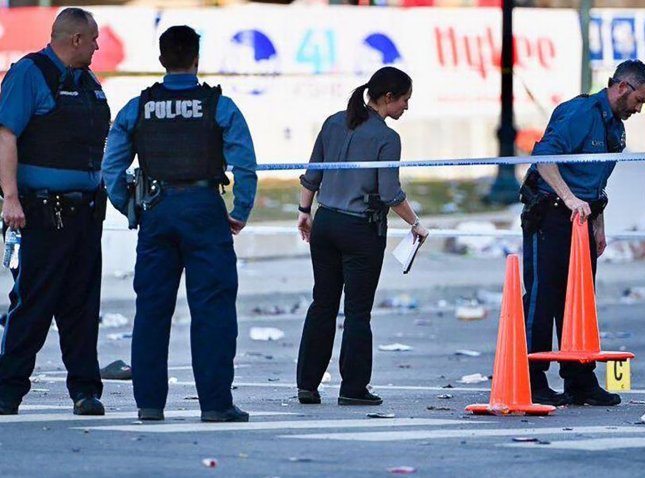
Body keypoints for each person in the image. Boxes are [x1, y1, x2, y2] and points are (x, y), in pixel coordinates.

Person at [101, 26, 257, 422]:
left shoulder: (139, 106)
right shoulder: (218, 105)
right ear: (196, 59)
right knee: (213, 310)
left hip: (157, 210)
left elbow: (111, 168)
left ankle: (149, 405)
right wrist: (239, 211)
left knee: (152, 311)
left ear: (161, 60)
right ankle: (216, 405)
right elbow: (244, 164)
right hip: (205, 209)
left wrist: (130, 207)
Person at [520, 59, 645, 407]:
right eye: (639, 100)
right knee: (542, 298)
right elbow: (544, 158)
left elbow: (597, 180)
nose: (639, 109)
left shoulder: (616, 127)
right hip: (551, 213)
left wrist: (598, 223)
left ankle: (579, 380)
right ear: (623, 87)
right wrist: (568, 199)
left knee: (578, 301)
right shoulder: (581, 113)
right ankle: (532, 378)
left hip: (582, 219)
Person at [295, 67, 429, 406]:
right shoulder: (387, 138)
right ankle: (353, 388)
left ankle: (307, 384)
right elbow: (389, 193)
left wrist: (304, 213)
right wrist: (416, 223)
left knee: (322, 304)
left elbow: (312, 175)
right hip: (361, 229)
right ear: (388, 98)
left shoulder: (333, 122)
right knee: (357, 312)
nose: (406, 108)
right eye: (405, 100)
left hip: (325, 223)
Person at [0, 8, 109, 416]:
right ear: (76, 39)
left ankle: (85, 390)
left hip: (85, 214)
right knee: (34, 301)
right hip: (41, 212)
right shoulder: (31, 74)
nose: (99, 45)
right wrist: (10, 197)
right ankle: (8, 389)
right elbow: (5, 135)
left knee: (82, 304)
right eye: (94, 38)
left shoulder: (87, 82)